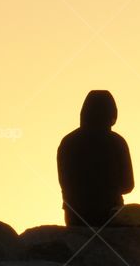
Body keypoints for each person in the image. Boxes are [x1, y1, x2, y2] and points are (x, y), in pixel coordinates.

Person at [57, 90, 134, 227]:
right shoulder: (116, 142)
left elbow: (65, 184)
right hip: (110, 217)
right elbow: (128, 185)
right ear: (112, 114)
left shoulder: (68, 142)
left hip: (75, 218)